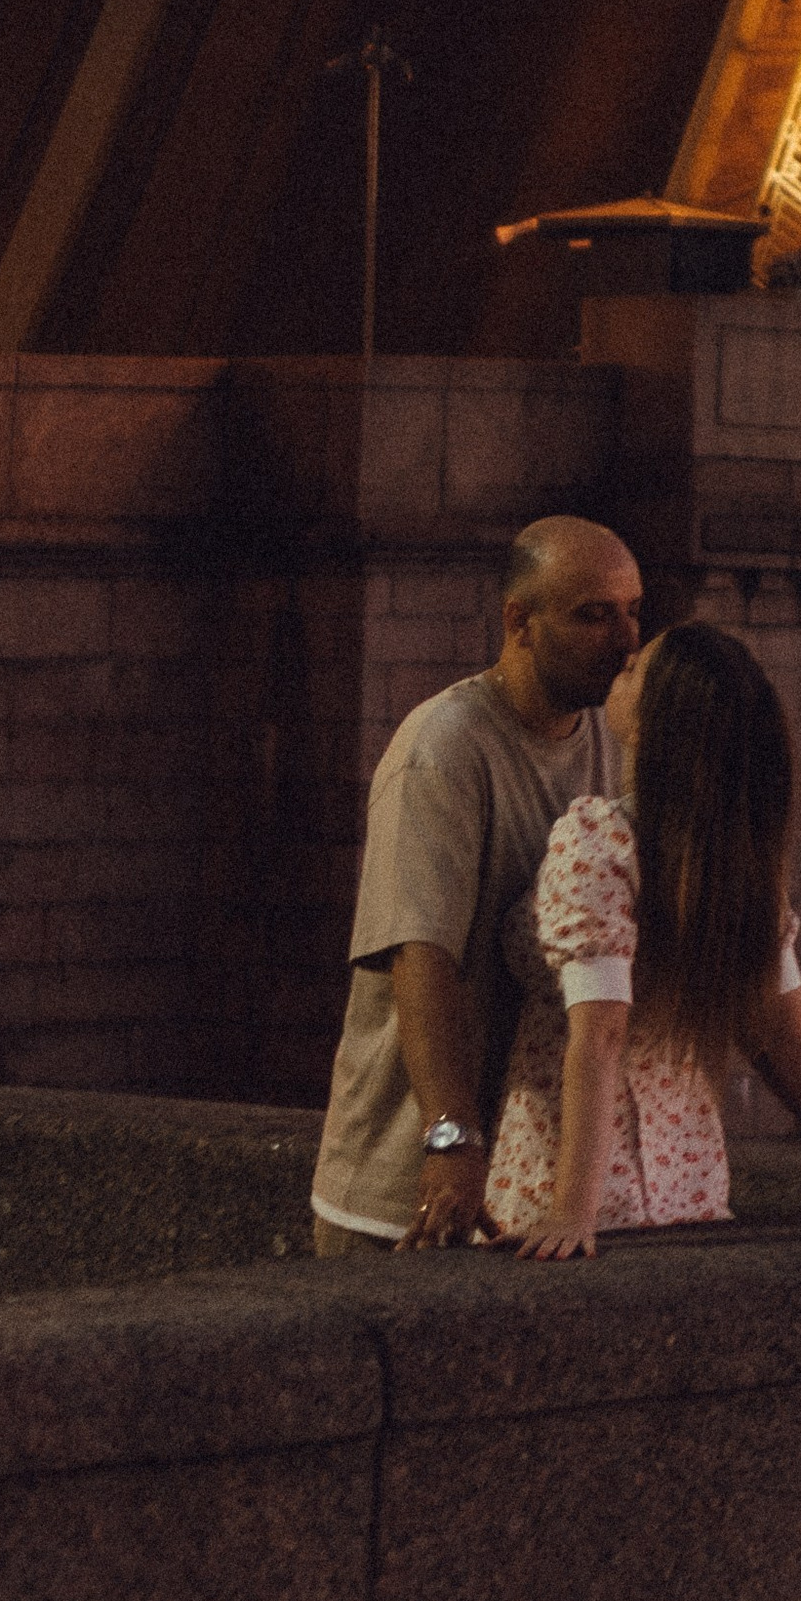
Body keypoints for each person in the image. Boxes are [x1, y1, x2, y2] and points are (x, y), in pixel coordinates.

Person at [483, 618, 801, 1251]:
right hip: (691, 1191)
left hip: (572, 1187)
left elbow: (601, 1032)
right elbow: (794, 1026)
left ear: (656, 724)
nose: (623, 660)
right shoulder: (732, 863)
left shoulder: (599, 841)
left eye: (638, 670)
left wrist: (571, 1213)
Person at [310, 513, 642, 1253]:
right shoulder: (445, 747)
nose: (624, 641)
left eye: (632, 612)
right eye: (593, 615)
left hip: (531, 1192)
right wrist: (452, 1138)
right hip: (408, 1193)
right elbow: (419, 957)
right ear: (518, 621)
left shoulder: (617, 748)